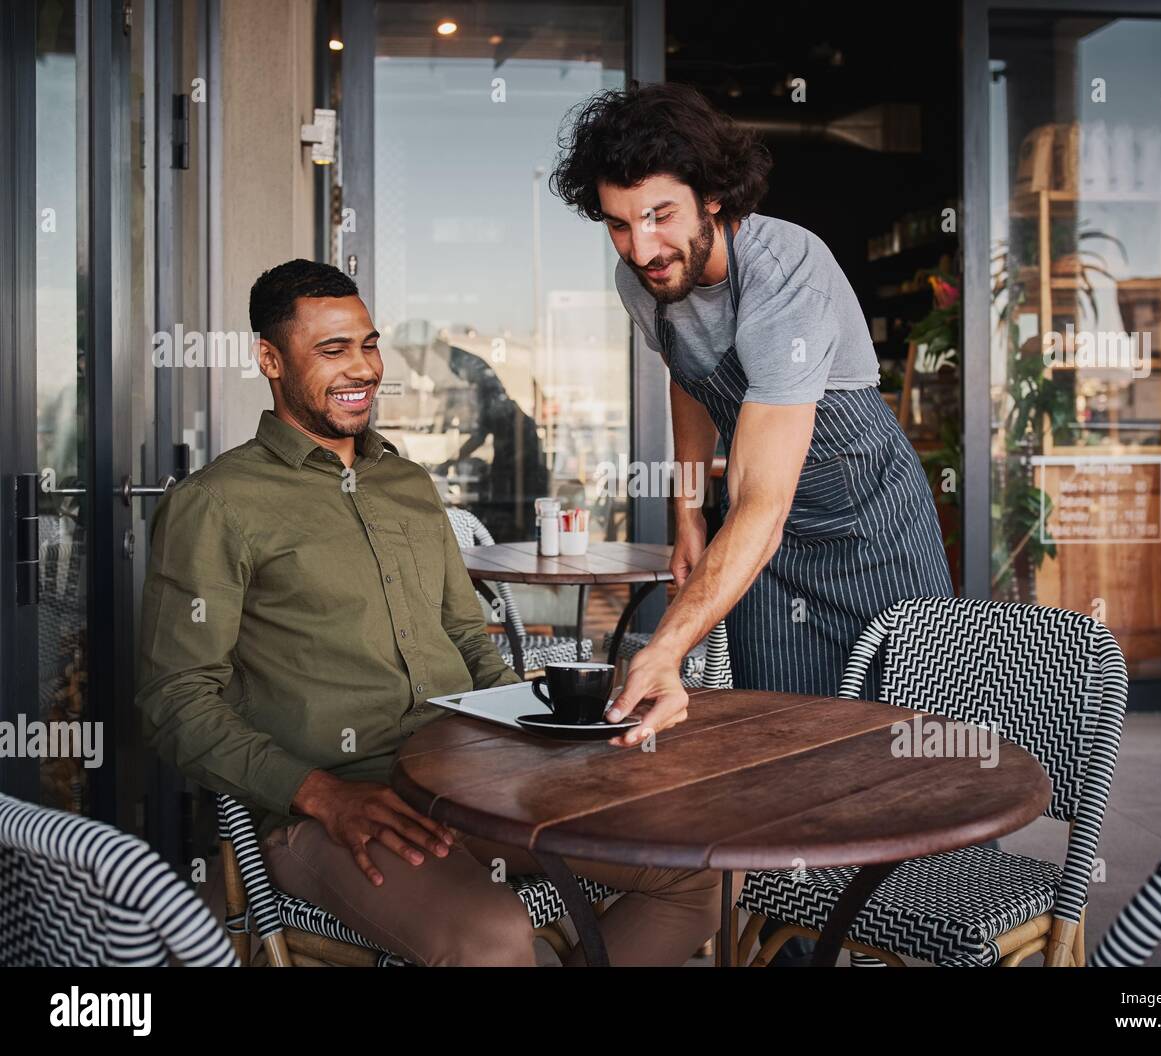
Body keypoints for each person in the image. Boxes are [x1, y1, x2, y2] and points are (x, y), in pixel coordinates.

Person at [135, 259, 739, 966]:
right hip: (336, 806)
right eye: (332, 350)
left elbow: (464, 637)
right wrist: (320, 794)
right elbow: (174, 701)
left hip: (469, 780)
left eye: (368, 343)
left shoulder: (410, 485)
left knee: (700, 877)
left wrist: (539, 734)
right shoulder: (215, 504)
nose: (363, 367)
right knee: (492, 939)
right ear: (269, 359)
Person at [551, 83, 953, 964]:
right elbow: (688, 377)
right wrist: (689, 507)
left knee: (895, 751)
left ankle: (904, 932)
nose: (641, 246)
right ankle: (797, 939)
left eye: (659, 217)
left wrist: (665, 645)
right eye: (619, 223)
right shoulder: (642, 277)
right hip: (763, 521)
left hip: (864, 520)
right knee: (783, 747)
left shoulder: (787, 274)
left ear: (715, 200)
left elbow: (765, 505)